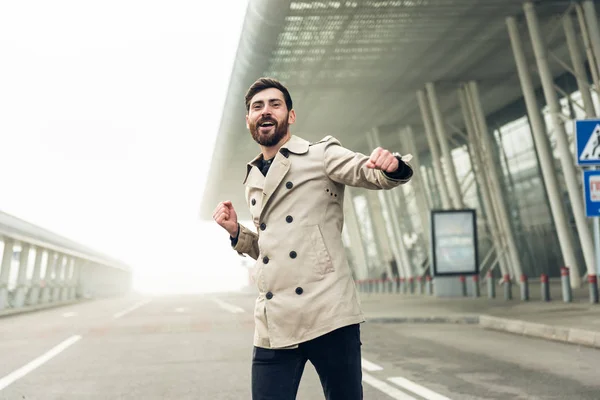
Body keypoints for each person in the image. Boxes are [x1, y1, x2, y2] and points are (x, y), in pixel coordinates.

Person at [213, 77, 413, 400]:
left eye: (275, 105)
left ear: (290, 116)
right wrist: (237, 232)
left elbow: (368, 172)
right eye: (257, 107)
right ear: (248, 120)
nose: (265, 112)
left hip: (329, 314)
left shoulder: (321, 155)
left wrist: (391, 167)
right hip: (273, 323)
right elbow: (270, 248)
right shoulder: (252, 177)